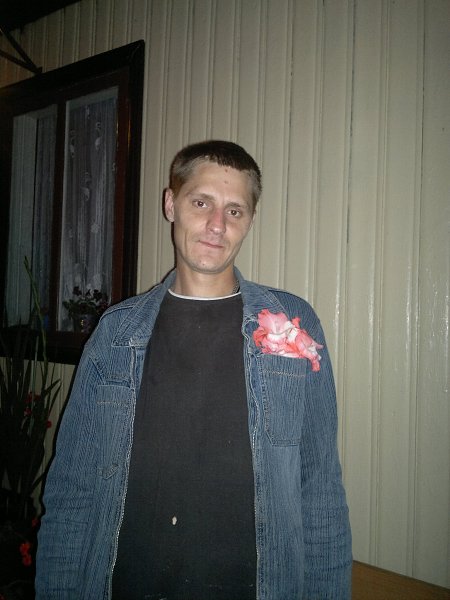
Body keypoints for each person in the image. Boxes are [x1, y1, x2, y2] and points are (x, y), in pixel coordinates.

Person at [36, 140, 352, 599]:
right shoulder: (115, 333)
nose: (217, 224)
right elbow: (73, 491)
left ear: (250, 221)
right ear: (171, 204)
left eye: (234, 210)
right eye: (201, 203)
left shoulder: (295, 325)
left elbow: (320, 490)